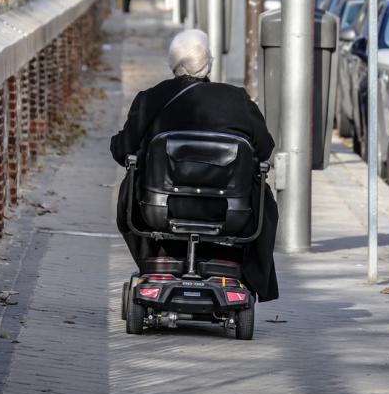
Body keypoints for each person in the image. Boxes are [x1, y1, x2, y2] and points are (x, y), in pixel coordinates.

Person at [110, 29, 279, 302]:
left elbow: (122, 151)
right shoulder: (237, 100)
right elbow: (265, 149)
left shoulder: (150, 99)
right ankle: (240, 269)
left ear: (172, 64)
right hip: (229, 214)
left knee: (131, 183)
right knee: (262, 194)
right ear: (209, 63)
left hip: (160, 210)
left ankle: (158, 257)